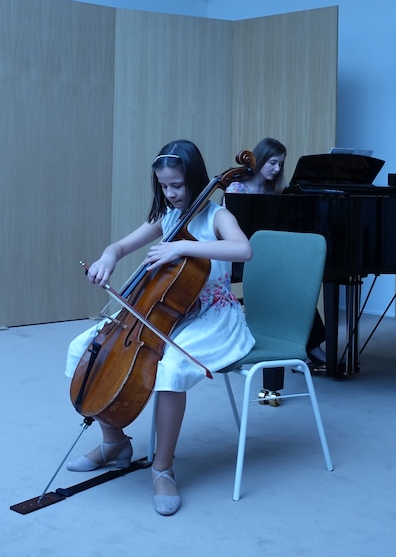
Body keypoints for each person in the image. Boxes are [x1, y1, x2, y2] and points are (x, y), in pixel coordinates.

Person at [64, 140, 255, 516]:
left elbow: (243, 250)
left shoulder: (217, 216)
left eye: (177, 185)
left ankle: (162, 468)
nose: (171, 193)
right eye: (164, 186)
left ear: (195, 179)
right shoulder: (167, 215)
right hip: (168, 312)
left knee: (170, 369)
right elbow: (120, 247)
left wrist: (183, 248)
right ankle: (114, 442)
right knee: (83, 348)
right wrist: (108, 257)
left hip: (213, 315)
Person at [224, 137, 327, 367]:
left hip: (266, 258)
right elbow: (231, 235)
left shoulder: (274, 192)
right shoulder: (237, 189)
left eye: (280, 163)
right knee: (286, 282)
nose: (277, 168)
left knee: (298, 283)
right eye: (272, 162)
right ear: (260, 159)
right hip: (241, 257)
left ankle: (305, 346)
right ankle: (310, 348)